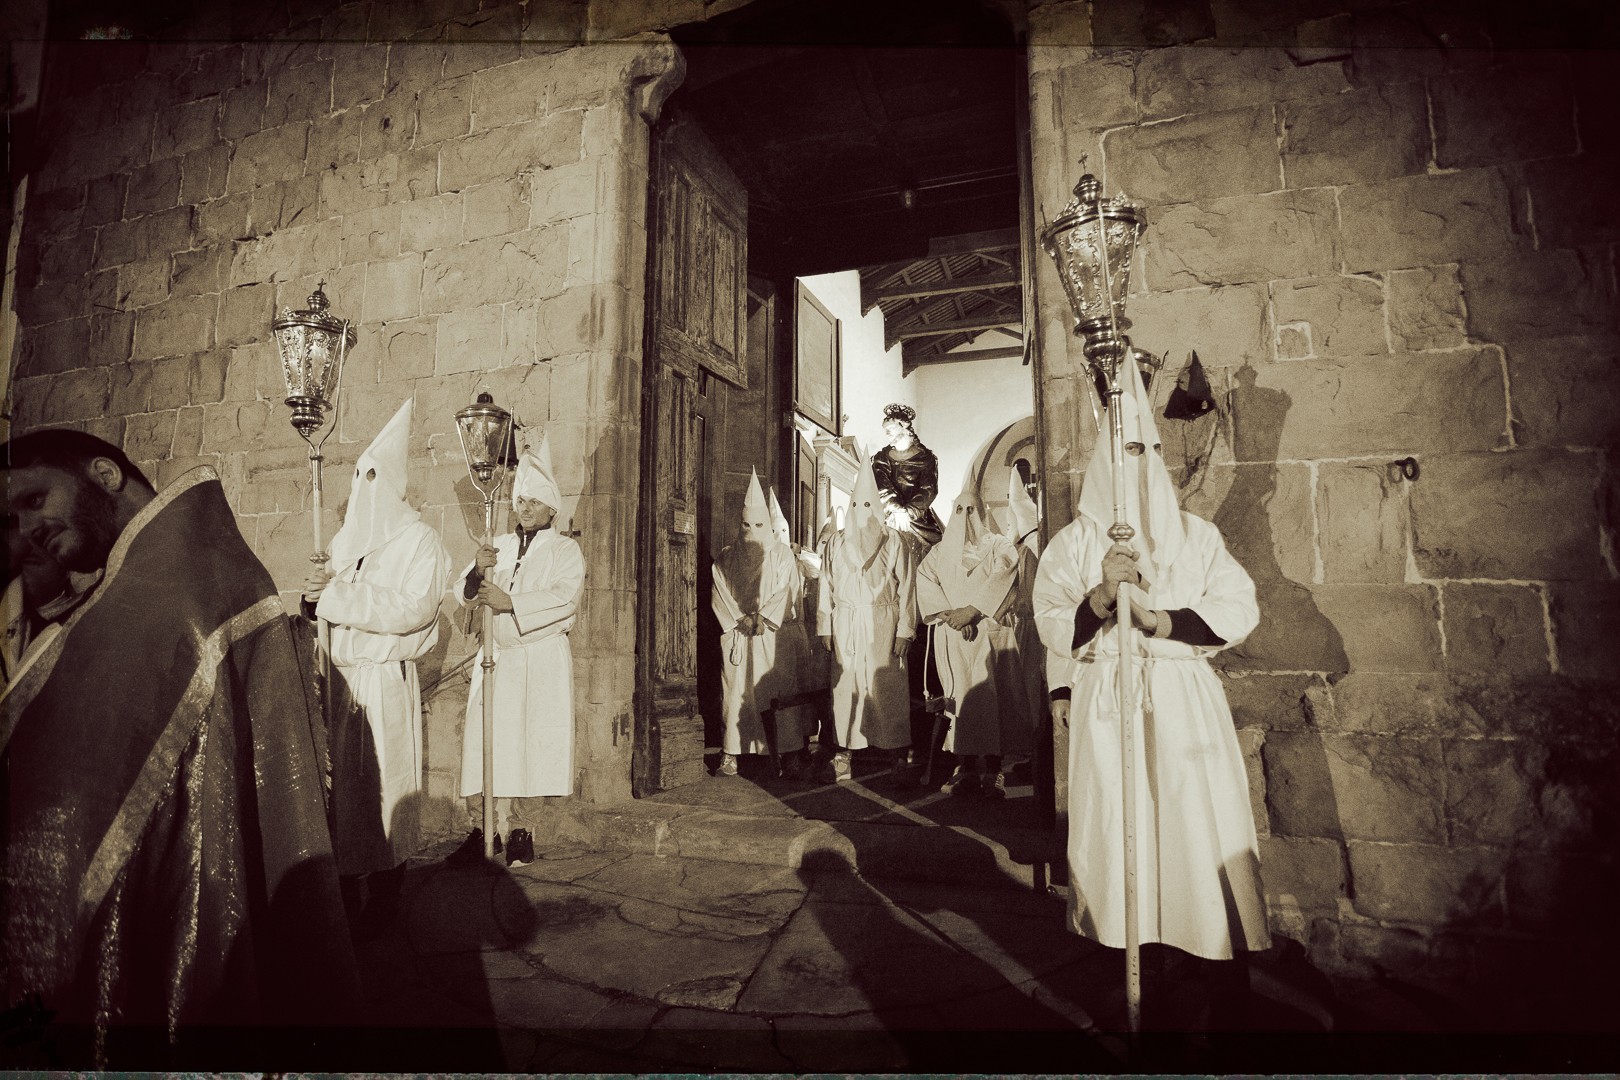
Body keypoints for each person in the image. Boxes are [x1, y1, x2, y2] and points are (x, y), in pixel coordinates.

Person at [1, 429, 359, 1061]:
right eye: (12, 516)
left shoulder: (179, 585)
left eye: (35, 498)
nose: (26, 525)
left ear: (105, 475)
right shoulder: (136, 584)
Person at [1032, 368, 1269, 973]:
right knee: (1119, 824)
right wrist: (1101, 597)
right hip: (1108, 697)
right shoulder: (1074, 543)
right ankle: (1127, 954)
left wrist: (1160, 620)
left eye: (1146, 451)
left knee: (1190, 820)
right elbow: (1053, 622)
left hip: (1182, 697)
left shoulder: (1197, 535)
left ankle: (1203, 949)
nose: (1135, 466)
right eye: (1124, 452)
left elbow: (1238, 607)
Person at [300, 400, 450, 937]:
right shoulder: (343, 542)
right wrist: (311, 599)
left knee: (383, 788)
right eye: (358, 478)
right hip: (338, 682)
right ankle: (341, 889)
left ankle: (387, 891)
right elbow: (322, 604)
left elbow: (415, 609)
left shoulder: (421, 541)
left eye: (372, 478)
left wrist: (337, 599)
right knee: (339, 793)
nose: (364, 489)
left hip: (383, 683)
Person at [452, 432, 585, 867]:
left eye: (533, 501)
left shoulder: (566, 550)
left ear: (551, 507)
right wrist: (477, 573)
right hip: (497, 659)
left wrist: (511, 603)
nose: (523, 507)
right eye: (520, 500)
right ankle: (482, 830)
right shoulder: (501, 546)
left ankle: (523, 830)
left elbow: (565, 598)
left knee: (532, 746)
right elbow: (465, 592)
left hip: (540, 658)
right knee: (483, 743)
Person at [816, 446, 915, 783]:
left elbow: (908, 587)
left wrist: (906, 629)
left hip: (883, 623)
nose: (862, 512)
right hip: (845, 622)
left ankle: (897, 753)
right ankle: (843, 752)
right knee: (845, 687)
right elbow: (825, 586)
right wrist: (824, 626)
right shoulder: (835, 543)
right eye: (857, 505)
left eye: (868, 505)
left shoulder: (894, 542)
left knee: (885, 686)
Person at [917, 486, 1024, 799]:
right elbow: (926, 581)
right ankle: (963, 767)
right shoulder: (939, 552)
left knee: (993, 701)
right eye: (959, 510)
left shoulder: (999, 545)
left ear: (982, 511)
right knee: (960, 701)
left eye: (972, 509)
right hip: (953, 636)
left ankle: (992, 770)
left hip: (988, 633)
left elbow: (1006, 575)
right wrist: (951, 615)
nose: (966, 516)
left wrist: (972, 612)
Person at [710, 470, 807, 778]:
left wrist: (762, 617)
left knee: (778, 688)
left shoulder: (781, 554)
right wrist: (740, 619)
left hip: (769, 633)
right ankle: (732, 753)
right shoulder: (726, 556)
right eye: (746, 524)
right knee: (736, 692)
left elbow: (786, 589)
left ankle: (788, 752)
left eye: (758, 525)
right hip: (739, 633)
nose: (752, 530)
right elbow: (719, 590)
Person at [2, 528, 98, 684]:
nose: (24, 573)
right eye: (23, 564)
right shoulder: (11, 608)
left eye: (33, 562)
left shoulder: (80, 617)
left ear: (65, 571)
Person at [870, 402, 944, 551]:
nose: (887, 433)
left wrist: (908, 512)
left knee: (939, 544)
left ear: (904, 426)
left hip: (917, 517)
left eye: (891, 429)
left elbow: (928, 489)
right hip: (889, 513)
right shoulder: (881, 458)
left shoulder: (926, 458)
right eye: (886, 430)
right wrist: (897, 510)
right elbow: (881, 486)